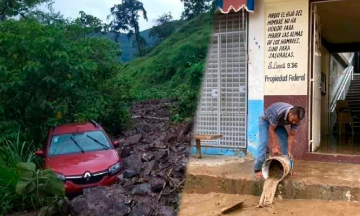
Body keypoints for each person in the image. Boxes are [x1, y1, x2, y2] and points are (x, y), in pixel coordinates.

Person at [254, 102, 305, 179]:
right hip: (265, 121)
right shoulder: (279, 112)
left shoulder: (297, 120)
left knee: (285, 139)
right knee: (263, 142)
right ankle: (258, 169)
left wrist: (289, 151)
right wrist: (274, 147)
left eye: (296, 121)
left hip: (277, 123)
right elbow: (271, 129)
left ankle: (286, 166)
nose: (294, 123)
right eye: (293, 120)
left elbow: (291, 136)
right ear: (290, 113)